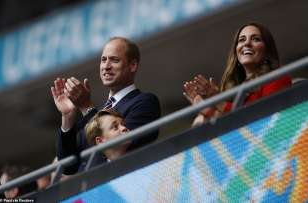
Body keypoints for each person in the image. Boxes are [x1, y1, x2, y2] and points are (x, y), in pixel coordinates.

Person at [51, 37, 161, 174]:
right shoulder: (92, 116)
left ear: (133, 65)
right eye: (103, 60)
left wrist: (87, 107)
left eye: (114, 60)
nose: (106, 66)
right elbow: (67, 168)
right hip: (92, 193)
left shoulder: (144, 102)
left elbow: (123, 149)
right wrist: (67, 116)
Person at [183, 22, 292, 126]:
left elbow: (261, 122)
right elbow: (229, 130)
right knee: (200, 120)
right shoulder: (234, 90)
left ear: (267, 51)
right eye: (241, 40)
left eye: (256, 39)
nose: (246, 43)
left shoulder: (278, 77)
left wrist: (217, 101)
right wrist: (206, 109)